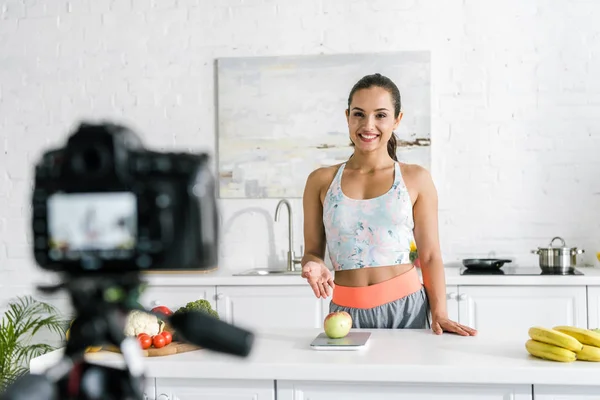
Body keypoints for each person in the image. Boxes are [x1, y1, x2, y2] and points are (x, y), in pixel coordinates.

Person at [300, 73, 477, 336]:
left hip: (407, 308)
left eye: (380, 115)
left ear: (397, 120)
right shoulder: (321, 181)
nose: (368, 125)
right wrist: (311, 264)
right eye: (359, 114)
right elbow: (313, 251)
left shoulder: (415, 178)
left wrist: (440, 313)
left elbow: (429, 255)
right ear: (348, 116)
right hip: (345, 313)